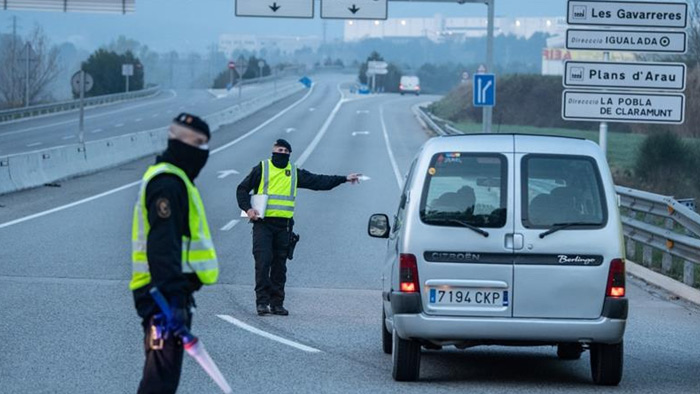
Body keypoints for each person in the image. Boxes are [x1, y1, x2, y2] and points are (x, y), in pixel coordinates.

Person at [130, 113, 219, 394]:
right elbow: (162, 244)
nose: (203, 153)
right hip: (161, 298)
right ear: (182, 142)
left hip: (167, 294)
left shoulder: (176, 179)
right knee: (159, 381)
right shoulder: (168, 183)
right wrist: (171, 304)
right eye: (200, 144)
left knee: (163, 378)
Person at [237, 139, 360, 316]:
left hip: (284, 227)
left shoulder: (293, 173)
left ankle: (277, 304)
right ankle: (262, 303)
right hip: (262, 225)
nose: (282, 153)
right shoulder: (262, 168)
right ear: (273, 151)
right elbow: (241, 189)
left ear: (289, 154)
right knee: (263, 263)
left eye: (286, 151)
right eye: (279, 150)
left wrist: (344, 179)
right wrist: (248, 209)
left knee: (280, 267)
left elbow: (318, 182)